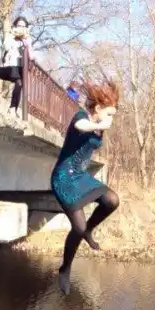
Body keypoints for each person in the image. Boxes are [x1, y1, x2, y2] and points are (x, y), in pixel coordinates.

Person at [51, 80, 121, 295]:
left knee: (112, 200)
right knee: (77, 228)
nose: (110, 120)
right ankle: (65, 269)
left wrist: (102, 125)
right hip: (64, 177)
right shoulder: (81, 117)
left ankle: (90, 229)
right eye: (108, 114)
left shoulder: (100, 124)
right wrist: (100, 125)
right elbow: (81, 127)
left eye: (113, 116)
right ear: (97, 108)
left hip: (80, 175)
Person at [0, 16, 34, 117]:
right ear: (15, 26)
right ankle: (12, 108)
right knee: (19, 78)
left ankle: (13, 108)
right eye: (19, 26)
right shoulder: (10, 36)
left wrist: (26, 41)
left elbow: (31, 56)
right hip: (6, 68)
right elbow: (6, 47)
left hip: (18, 70)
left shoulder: (27, 40)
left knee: (20, 83)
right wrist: (12, 35)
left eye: (23, 26)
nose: (21, 28)